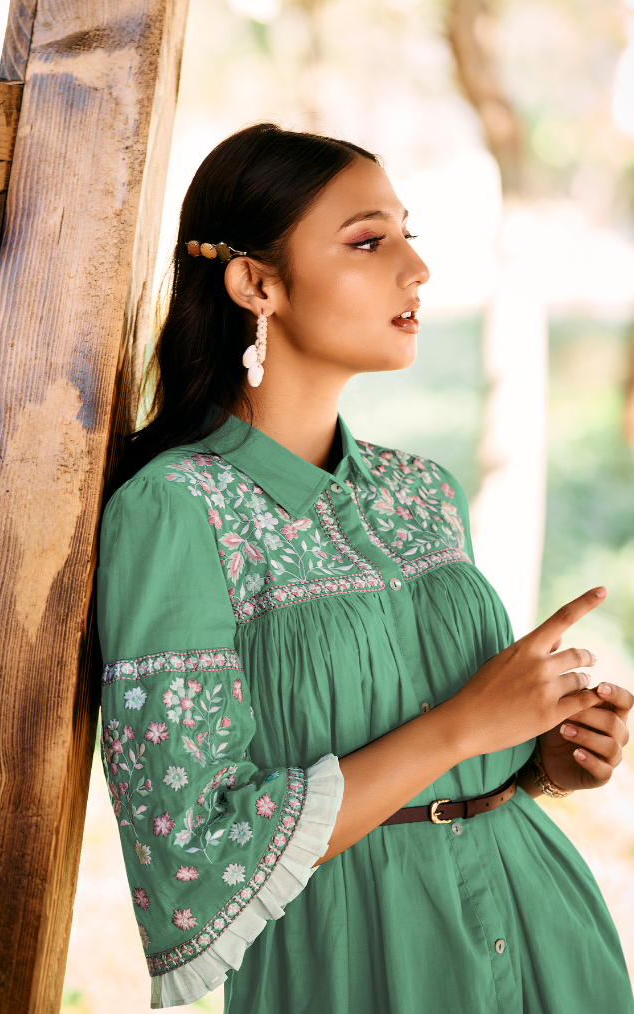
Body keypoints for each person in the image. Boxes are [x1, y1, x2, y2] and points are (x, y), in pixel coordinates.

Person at [97, 123, 634, 1013]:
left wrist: (540, 757)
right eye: (367, 240)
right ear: (256, 282)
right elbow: (189, 848)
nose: (415, 268)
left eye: (407, 233)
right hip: (357, 961)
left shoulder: (423, 491)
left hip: (546, 934)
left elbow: (453, 751)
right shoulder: (176, 509)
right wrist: (465, 726)